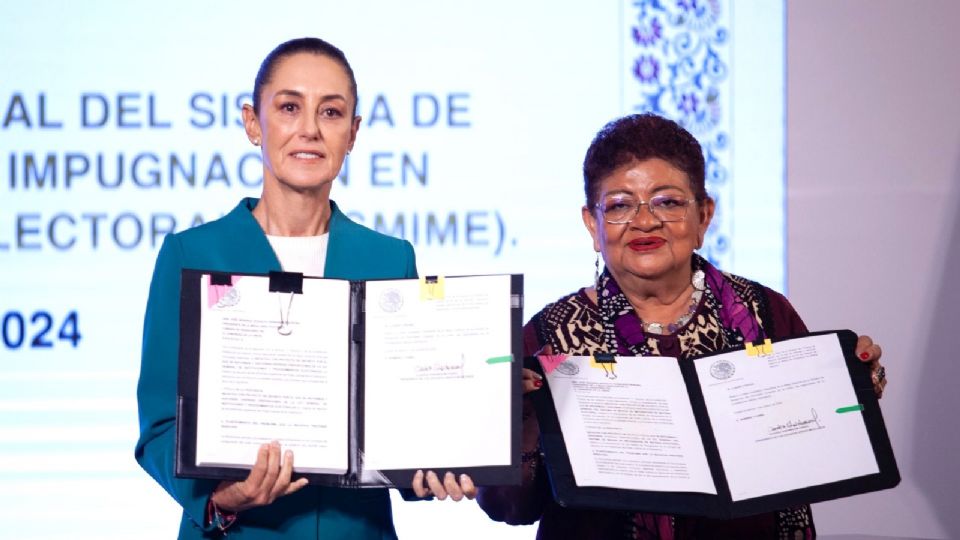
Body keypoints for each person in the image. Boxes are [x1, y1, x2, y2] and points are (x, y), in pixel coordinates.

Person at [477, 113, 887, 539]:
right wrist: (522, 422)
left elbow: (814, 450)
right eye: (619, 205)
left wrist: (855, 386)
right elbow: (510, 508)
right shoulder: (550, 337)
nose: (644, 221)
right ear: (591, 224)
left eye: (667, 202)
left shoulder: (764, 312)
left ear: (704, 215)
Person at [135, 37, 473, 539]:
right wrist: (222, 498)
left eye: (331, 112)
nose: (310, 130)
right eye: (290, 107)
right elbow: (160, 428)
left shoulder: (388, 258)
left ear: (353, 132)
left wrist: (437, 465)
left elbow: (399, 423)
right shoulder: (192, 256)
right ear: (254, 122)